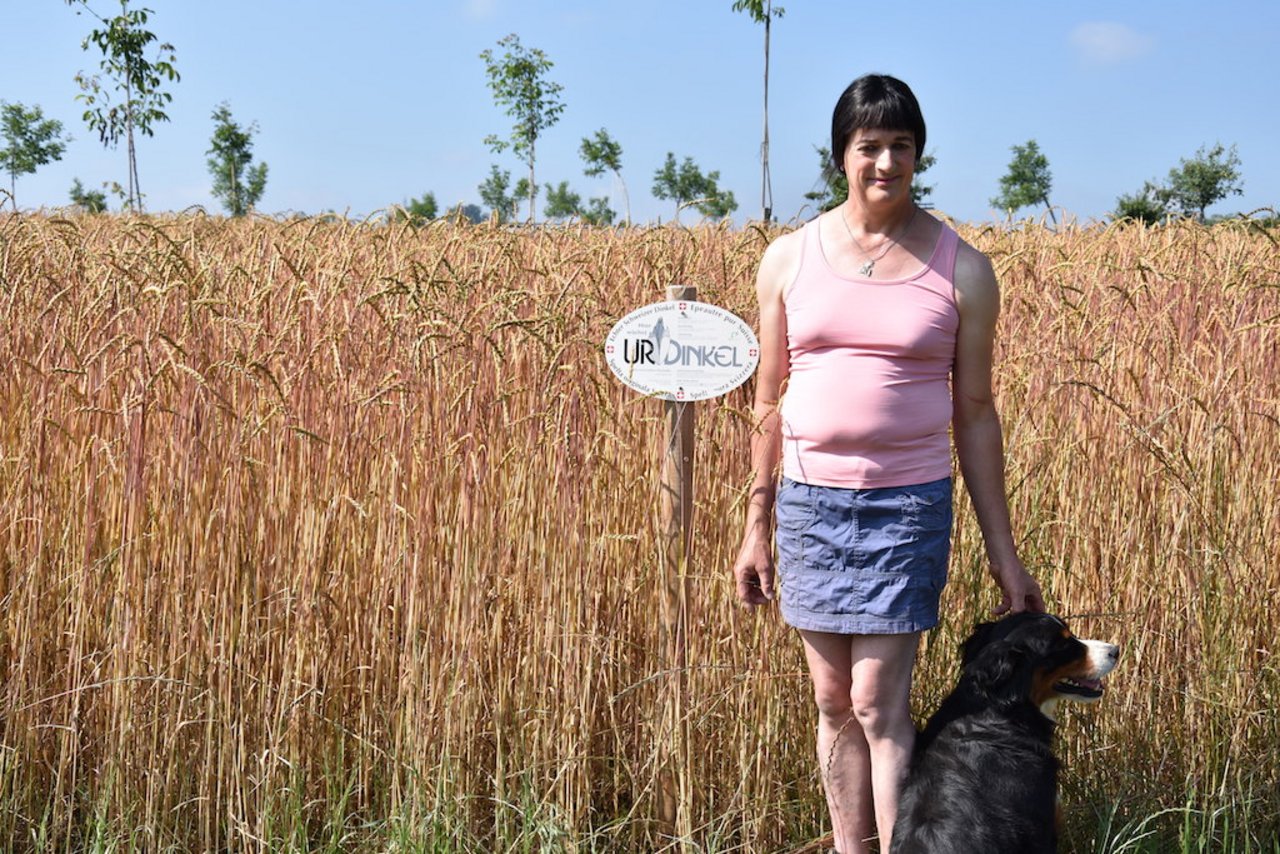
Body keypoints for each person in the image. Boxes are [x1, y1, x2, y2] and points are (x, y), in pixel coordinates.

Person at [731, 74, 1045, 854]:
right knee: (832, 699)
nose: (885, 162)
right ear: (841, 155)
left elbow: (974, 412)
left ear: (918, 155)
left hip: (906, 506)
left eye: (901, 146)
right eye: (869, 146)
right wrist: (754, 527)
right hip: (809, 504)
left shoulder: (962, 269)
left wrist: (1006, 557)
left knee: (877, 700)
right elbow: (768, 400)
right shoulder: (787, 261)